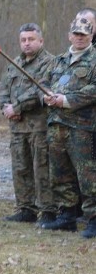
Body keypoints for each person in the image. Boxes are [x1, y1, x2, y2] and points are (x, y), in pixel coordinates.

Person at [40, 16, 96, 239]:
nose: (79, 38)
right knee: (60, 173)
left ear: (91, 36)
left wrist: (65, 99)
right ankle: (67, 216)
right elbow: (42, 83)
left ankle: (92, 219)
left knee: (87, 176)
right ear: (69, 35)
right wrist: (45, 97)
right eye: (76, 34)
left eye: (84, 34)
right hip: (56, 126)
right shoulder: (58, 60)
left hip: (82, 127)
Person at [0, 23, 55, 224]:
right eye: (23, 40)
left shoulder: (50, 63)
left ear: (41, 40)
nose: (27, 43)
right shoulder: (14, 63)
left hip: (39, 127)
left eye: (31, 39)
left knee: (42, 169)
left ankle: (48, 210)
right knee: (20, 168)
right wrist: (5, 107)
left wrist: (18, 107)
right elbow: (3, 86)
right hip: (17, 128)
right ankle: (25, 208)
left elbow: (42, 90)